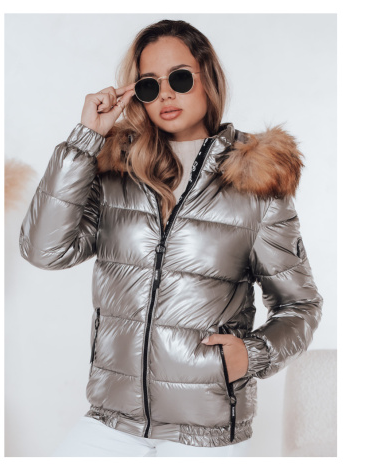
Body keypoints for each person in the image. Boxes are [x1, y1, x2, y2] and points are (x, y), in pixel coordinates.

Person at [19, 19, 324, 457]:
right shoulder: (118, 172)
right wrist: (86, 139)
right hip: (112, 418)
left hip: (205, 428)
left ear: (207, 77)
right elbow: (43, 250)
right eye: (149, 85)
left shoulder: (255, 184)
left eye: (179, 78)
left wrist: (253, 354)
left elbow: (301, 305)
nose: (165, 94)